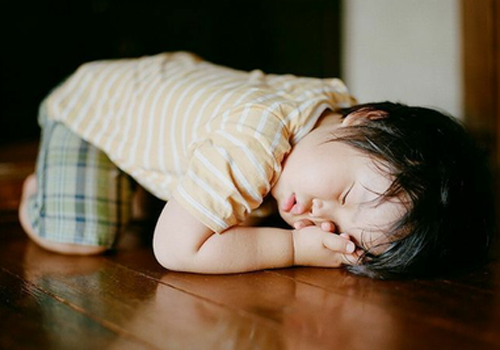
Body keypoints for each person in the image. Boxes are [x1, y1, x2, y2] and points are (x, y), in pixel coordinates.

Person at [18, 52, 495, 279]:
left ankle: (140, 192)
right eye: (347, 197)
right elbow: (174, 251)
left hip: (155, 86)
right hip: (89, 107)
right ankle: (37, 194)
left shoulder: (332, 114)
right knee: (83, 239)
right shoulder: (255, 141)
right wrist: (293, 248)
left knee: (237, 212)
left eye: (343, 231)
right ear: (368, 118)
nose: (318, 218)